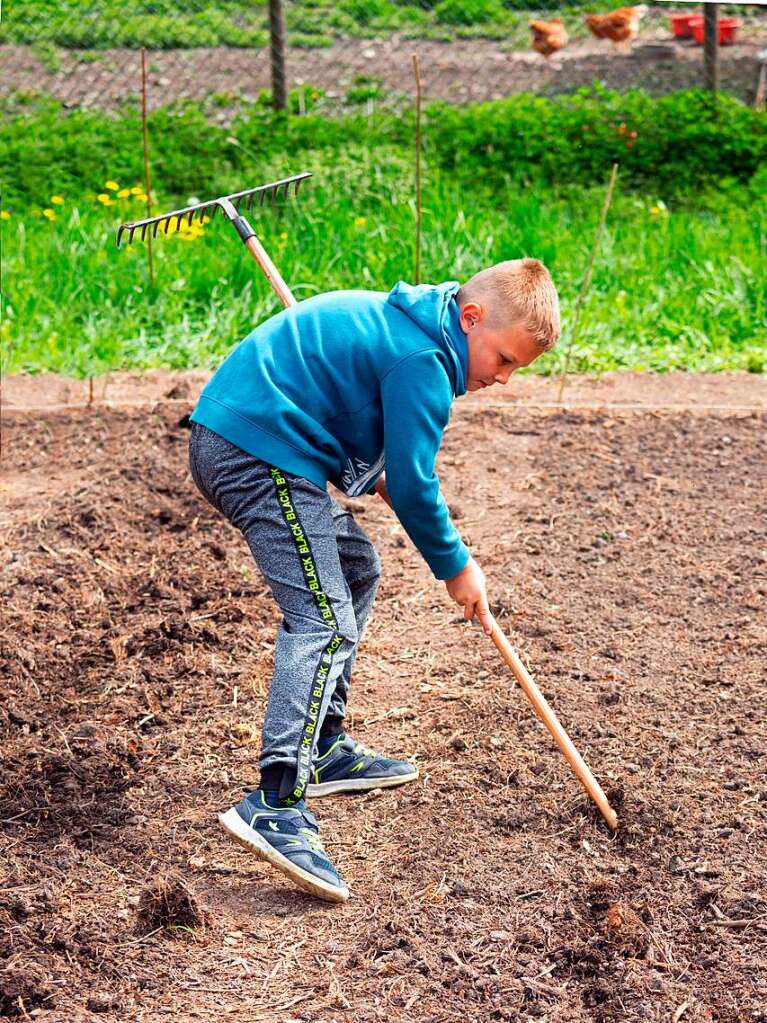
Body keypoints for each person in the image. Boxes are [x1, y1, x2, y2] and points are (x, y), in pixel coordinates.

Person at [188, 258, 560, 903]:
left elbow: (361, 424)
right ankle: (276, 802)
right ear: (472, 318)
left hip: (269, 443)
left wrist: (378, 474)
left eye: (514, 369)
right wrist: (457, 566)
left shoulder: (419, 329)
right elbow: (417, 484)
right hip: (257, 451)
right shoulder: (425, 360)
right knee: (323, 620)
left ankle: (323, 746)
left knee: (357, 567)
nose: (501, 378)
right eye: (503, 359)